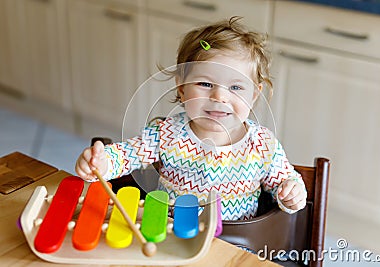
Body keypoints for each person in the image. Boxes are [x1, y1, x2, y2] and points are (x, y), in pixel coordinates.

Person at [75, 17, 307, 221]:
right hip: (169, 234)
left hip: (232, 245)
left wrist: (291, 192)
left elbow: (284, 180)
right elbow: (127, 155)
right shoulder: (167, 133)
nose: (219, 97)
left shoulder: (263, 145)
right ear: (182, 88)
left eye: (235, 87)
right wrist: (102, 164)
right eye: (205, 84)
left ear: (254, 95)